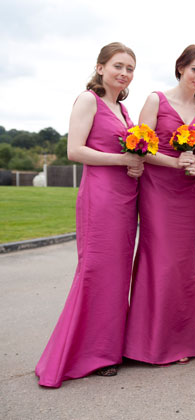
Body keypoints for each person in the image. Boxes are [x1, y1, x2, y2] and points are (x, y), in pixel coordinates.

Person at [35, 42, 143, 387]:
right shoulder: (88, 100)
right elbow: (74, 150)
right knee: (97, 272)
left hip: (127, 199)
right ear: (100, 68)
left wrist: (136, 165)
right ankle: (87, 353)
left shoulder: (124, 111)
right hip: (100, 198)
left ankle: (109, 349)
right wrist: (122, 160)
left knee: (117, 276)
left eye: (129, 69)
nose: (124, 73)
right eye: (118, 66)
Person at [123, 45, 195, 365]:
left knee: (183, 263)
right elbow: (139, 148)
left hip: (188, 192)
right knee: (159, 259)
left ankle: (184, 340)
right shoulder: (155, 101)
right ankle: (150, 343)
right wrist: (175, 163)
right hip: (157, 190)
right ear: (180, 68)